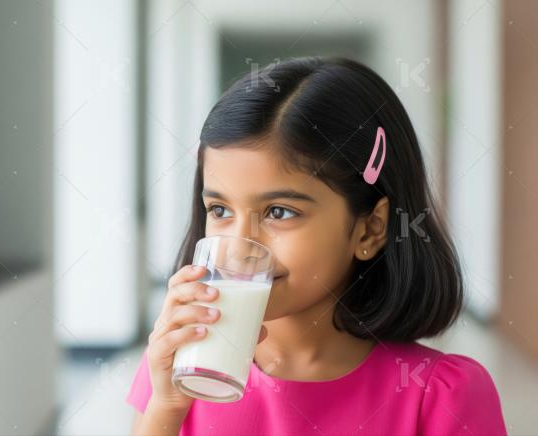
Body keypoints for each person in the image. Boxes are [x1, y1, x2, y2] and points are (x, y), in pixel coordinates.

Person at [127, 56, 507, 435]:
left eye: (279, 212)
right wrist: (166, 407)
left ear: (369, 230)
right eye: (220, 208)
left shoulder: (439, 395)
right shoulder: (178, 370)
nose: (239, 246)